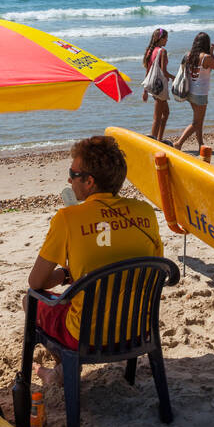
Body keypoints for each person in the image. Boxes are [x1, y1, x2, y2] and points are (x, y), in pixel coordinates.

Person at [26, 135, 163, 349]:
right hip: (138, 330)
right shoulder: (145, 211)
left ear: (89, 181)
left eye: (73, 174)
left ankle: (63, 366)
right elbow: (153, 267)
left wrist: (66, 274)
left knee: (30, 300)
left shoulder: (67, 218)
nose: (69, 180)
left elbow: (36, 283)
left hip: (86, 338)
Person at [173, 31, 214, 152]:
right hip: (200, 93)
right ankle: (179, 143)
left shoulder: (188, 55)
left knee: (198, 120)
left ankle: (200, 144)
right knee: (197, 122)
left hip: (190, 92)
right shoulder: (206, 57)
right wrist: (212, 53)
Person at [141, 28, 173, 142]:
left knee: (166, 113)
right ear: (161, 38)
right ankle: (153, 142)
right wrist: (175, 78)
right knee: (157, 117)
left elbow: (147, 71)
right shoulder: (162, 51)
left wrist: (145, 91)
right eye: (166, 38)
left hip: (152, 86)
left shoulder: (150, 51)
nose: (167, 40)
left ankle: (159, 139)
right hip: (160, 87)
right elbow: (164, 72)